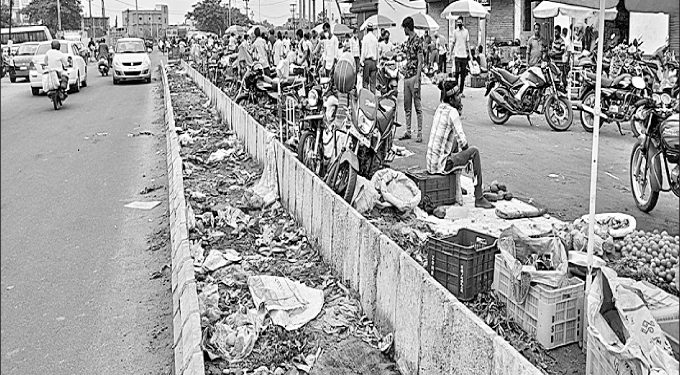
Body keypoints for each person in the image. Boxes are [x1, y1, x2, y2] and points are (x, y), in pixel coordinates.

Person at [427, 78, 494, 209]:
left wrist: (462, 155)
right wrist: (468, 158)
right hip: (441, 165)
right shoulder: (452, 112)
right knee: (474, 152)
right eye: (457, 96)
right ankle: (479, 197)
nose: (460, 98)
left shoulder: (440, 108)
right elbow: (463, 141)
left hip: (432, 163)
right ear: (451, 100)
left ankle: (455, 186)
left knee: (454, 145)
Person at [398, 16, 424, 143]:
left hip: (414, 77)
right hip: (407, 76)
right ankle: (408, 131)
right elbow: (405, 56)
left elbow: (420, 62)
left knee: (417, 106)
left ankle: (419, 133)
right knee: (406, 106)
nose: (404, 31)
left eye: (404, 28)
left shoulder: (418, 42)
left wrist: (418, 81)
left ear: (407, 28)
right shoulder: (408, 42)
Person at [451, 17, 470, 97]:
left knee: (463, 75)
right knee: (456, 74)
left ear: (462, 22)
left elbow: (468, 43)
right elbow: (453, 43)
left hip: (464, 56)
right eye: (457, 22)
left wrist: (470, 55)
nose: (459, 23)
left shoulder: (466, 32)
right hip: (457, 55)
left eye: (460, 22)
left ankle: (461, 91)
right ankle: (455, 90)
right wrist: (450, 52)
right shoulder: (455, 32)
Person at [360, 23, 379, 92]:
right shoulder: (375, 39)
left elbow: (363, 51)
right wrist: (377, 63)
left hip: (367, 62)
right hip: (374, 62)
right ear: (373, 30)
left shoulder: (365, 38)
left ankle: (366, 99)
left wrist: (361, 62)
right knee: (373, 83)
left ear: (367, 29)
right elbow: (377, 52)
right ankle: (373, 99)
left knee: (365, 82)